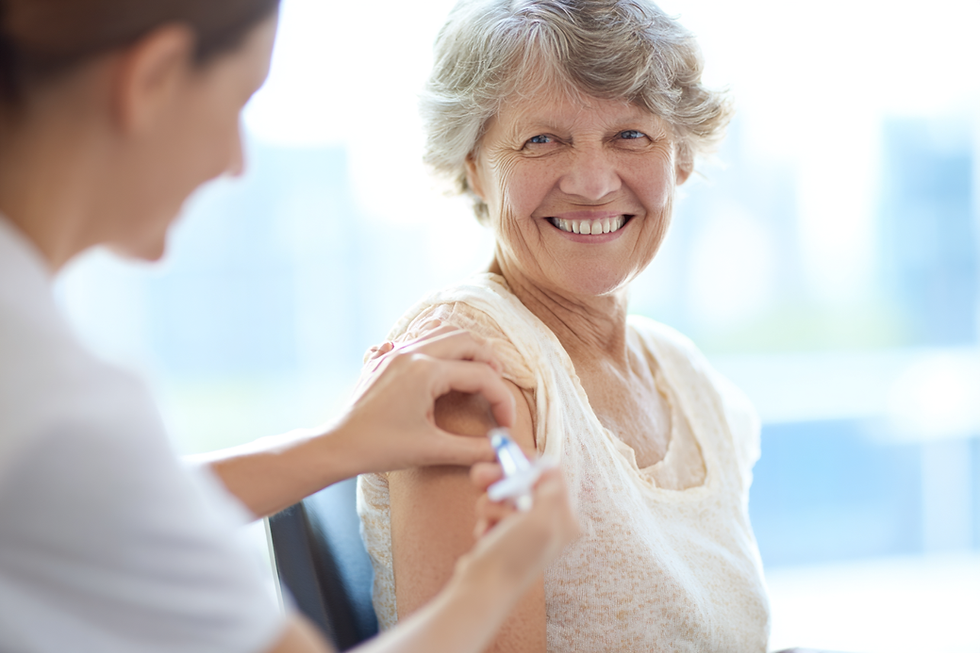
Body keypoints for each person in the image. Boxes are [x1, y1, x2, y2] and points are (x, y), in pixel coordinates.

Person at [0, 1, 578, 652]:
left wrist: (339, 444)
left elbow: (91, 510)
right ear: (152, 79)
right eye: (238, 103)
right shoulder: (58, 406)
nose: (234, 163)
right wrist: (493, 580)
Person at [357, 0, 771, 651]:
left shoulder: (687, 376)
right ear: (474, 167)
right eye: (542, 140)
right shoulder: (471, 362)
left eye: (630, 135)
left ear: (680, 158)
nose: (591, 182)